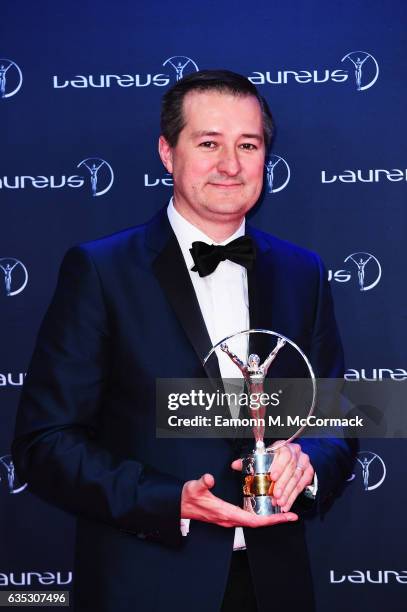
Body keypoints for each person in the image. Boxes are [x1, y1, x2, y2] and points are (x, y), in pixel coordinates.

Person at [13, 70, 355, 612]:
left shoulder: (303, 272)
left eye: (248, 144)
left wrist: (309, 460)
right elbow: (45, 444)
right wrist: (171, 500)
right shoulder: (100, 271)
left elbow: (335, 417)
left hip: (276, 585)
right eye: (208, 143)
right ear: (167, 153)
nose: (230, 164)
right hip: (146, 585)